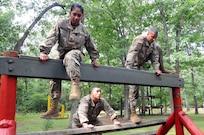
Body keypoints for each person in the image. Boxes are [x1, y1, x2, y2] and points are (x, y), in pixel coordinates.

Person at [39, 3, 100, 119]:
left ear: (82, 16)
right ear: (70, 13)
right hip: (61, 54)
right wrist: (44, 52)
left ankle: (75, 85)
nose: (76, 18)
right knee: (54, 72)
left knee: (70, 56)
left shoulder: (84, 30)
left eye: (79, 15)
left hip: (76, 54)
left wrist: (94, 59)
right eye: (74, 14)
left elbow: (91, 46)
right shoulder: (61, 24)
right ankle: (54, 107)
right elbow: (51, 38)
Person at [125, 28, 162, 123]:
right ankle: (133, 114)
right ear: (148, 34)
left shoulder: (153, 45)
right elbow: (132, 53)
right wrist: (128, 68)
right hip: (133, 65)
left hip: (140, 66)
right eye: (152, 37)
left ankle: (163, 69)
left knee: (158, 48)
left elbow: (155, 58)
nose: (153, 39)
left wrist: (157, 69)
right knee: (133, 89)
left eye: (155, 38)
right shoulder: (140, 39)